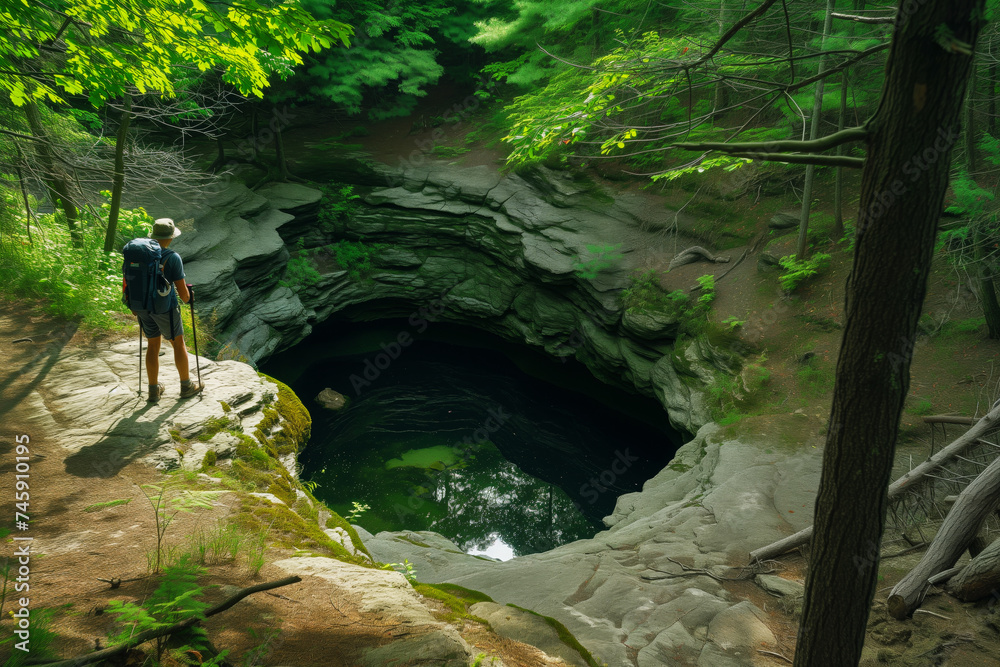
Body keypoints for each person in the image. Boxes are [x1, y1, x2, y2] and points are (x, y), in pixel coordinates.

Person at [132, 218, 203, 403]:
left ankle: (153, 390)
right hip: (165, 308)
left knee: (153, 345)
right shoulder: (172, 257)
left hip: (142, 306)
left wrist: (133, 305)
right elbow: (183, 293)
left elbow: (129, 280)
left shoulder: (139, 254)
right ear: (171, 237)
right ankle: (186, 386)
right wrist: (190, 298)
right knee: (178, 343)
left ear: (153, 235)